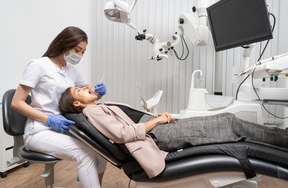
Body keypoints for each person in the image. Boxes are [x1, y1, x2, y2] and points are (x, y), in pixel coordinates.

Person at [59, 86, 288, 178]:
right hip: (157, 136)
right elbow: (123, 134)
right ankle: (284, 141)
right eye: (80, 89)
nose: (87, 87)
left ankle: (282, 141)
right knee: (230, 124)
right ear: (76, 104)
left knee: (229, 122)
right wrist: (157, 122)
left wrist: (159, 119)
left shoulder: (97, 107)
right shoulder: (93, 113)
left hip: (158, 129)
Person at [12, 26, 107, 188]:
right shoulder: (38, 65)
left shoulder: (71, 70)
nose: (80, 55)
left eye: (83, 52)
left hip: (64, 128)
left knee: (102, 148)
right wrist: (48, 119)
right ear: (65, 44)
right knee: (84, 152)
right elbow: (17, 102)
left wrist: (100, 93)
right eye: (78, 50)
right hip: (39, 130)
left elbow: (91, 95)